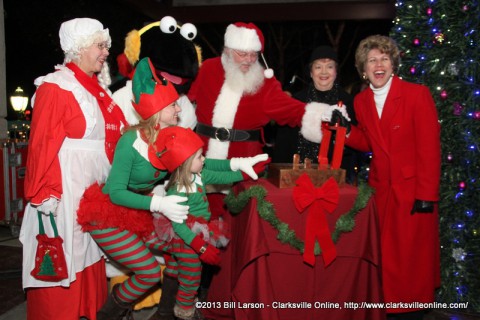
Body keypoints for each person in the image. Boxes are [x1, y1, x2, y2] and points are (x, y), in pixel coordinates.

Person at [187, 22, 349, 297]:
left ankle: (233, 291)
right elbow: (188, 103)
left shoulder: (265, 80)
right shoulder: (209, 69)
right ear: (228, 50)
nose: (249, 60)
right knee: (198, 222)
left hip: (245, 162)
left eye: (254, 54)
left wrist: (323, 114)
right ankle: (194, 291)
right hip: (200, 157)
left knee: (238, 229)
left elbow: (289, 109)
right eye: (243, 54)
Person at [19, 18, 128, 319]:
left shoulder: (97, 90)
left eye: (106, 45)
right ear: (79, 48)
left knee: (88, 254)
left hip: (91, 191)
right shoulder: (56, 87)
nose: (106, 51)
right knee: (63, 256)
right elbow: (42, 145)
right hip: (64, 192)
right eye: (99, 45)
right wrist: (45, 194)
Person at [331, 35, 441, 320]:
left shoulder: (417, 94)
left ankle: (413, 311)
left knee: (411, 261)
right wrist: (346, 129)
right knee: (387, 259)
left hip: (413, 192)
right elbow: (369, 142)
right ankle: (389, 309)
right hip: (381, 190)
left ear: (393, 64)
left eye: (384, 58)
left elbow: (429, 149)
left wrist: (427, 195)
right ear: (363, 70)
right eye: (372, 60)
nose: (378, 65)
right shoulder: (362, 100)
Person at [149, 126, 268, 320]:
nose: (204, 159)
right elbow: (178, 225)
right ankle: (184, 312)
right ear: (185, 163)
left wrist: (246, 173)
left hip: (198, 231)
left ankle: (169, 310)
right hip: (185, 237)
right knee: (191, 275)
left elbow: (223, 176)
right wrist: (200, 247)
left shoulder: (198, 175)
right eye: (199, 157)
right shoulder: (178, 189)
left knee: (184, 271)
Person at [272, 45, 361, 184]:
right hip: (298, 177)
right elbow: (284, 143)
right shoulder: (297, 101)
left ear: (336, 71)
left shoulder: (349, 103)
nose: (323, 72)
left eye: (329, 67)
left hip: (336, 179)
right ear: (311, 72)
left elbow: (355, 146)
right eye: (318, 67)